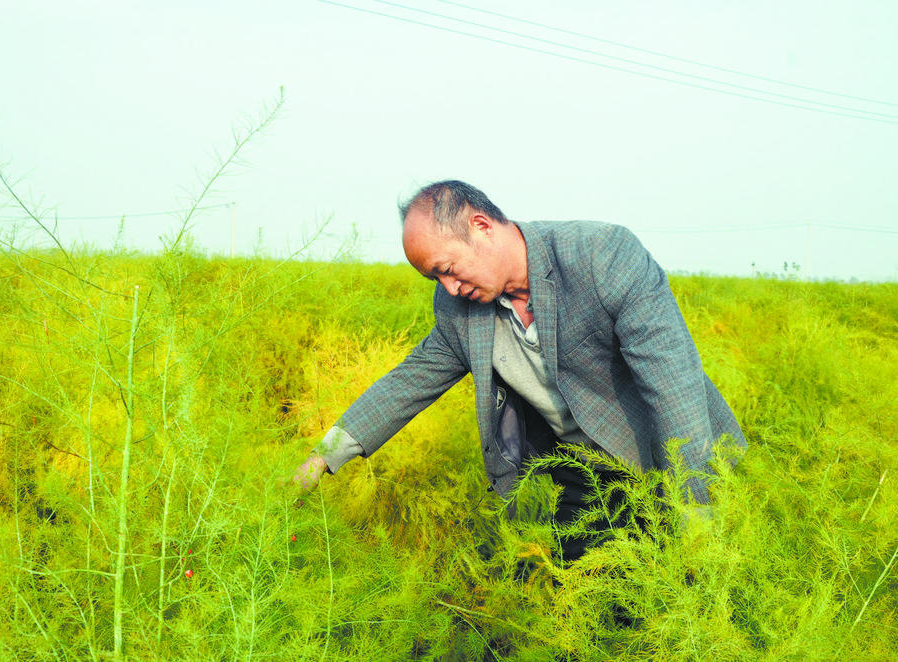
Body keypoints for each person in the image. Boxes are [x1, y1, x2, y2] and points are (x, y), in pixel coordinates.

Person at [293, 180, 747, 560]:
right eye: (436, 280)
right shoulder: (459, 309)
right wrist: (322, 457)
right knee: (591, 615)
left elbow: (674, 388)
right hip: (584, 476)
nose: (449, 287)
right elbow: (409, 382)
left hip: (670, 460)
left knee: (692, 610)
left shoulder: (602, 256)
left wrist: (696, 510)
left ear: (481, 226)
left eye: (448, 268)